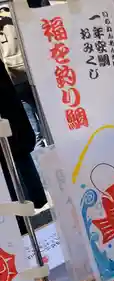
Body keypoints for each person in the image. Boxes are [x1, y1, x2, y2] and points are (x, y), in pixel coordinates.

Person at [0, 56, 47, 234]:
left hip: (11, 121)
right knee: (20, 156)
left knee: (9, 167)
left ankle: (19, 219)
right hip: (14, 120)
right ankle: (36, 199)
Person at [0, 6, 45, 148]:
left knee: (32, 126)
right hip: (29, 74)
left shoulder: (10, 14)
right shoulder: (11, 14)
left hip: (14, 80)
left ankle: (42, 156)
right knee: (47, 121)